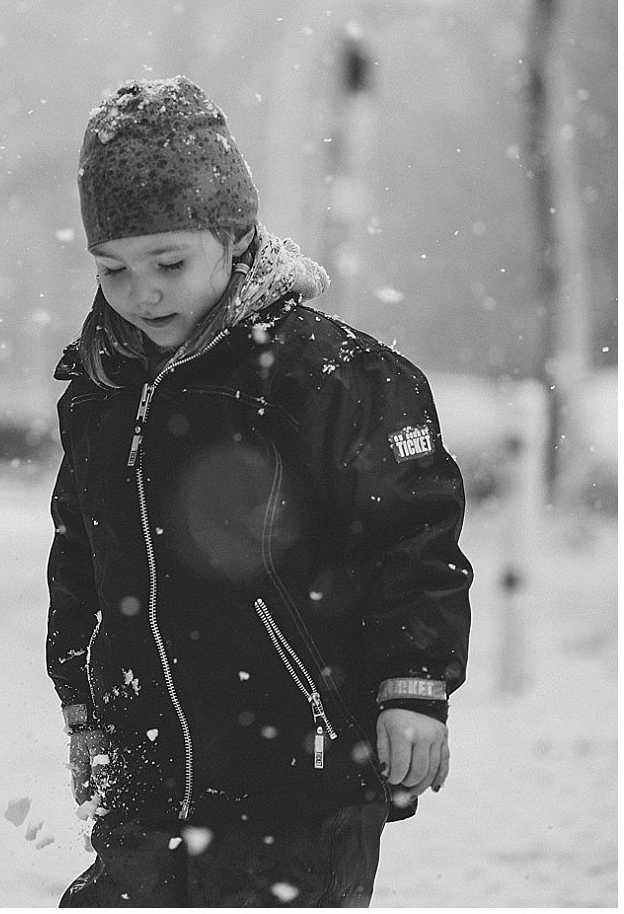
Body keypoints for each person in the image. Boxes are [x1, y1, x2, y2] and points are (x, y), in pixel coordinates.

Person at [46, 76, 472, 908]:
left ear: (236, 237)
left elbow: (409, 538)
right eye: (114, 270)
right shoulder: (100, 391)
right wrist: (83, 705)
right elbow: (79, 556)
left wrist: (414, 685)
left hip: (300, 772)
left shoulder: (331, 376)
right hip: (149, 774)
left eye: (169, 262)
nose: (144, 293)